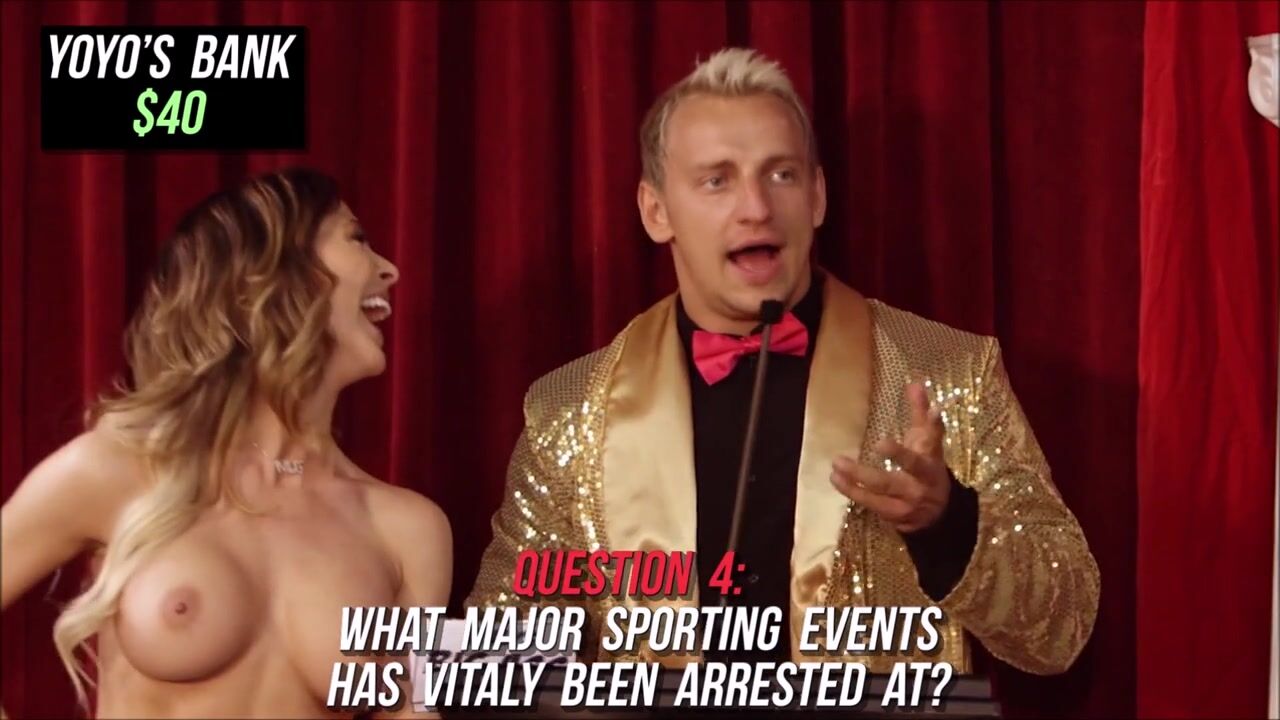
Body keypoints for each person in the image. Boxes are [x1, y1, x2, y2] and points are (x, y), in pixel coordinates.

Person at [467, 48, 1100, 676]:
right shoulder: (570, 409)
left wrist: (948, 524)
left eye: (782, 175)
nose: (756, 207)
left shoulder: (950, 372)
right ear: (656, 212)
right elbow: (500, 651)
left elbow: (1063, 627)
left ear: (817, 197)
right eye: (717, 180)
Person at [0, 168, 451, 718]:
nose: (390, 268)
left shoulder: (407, 529)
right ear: (269, 273)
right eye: (356, 238)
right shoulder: (118, 468)